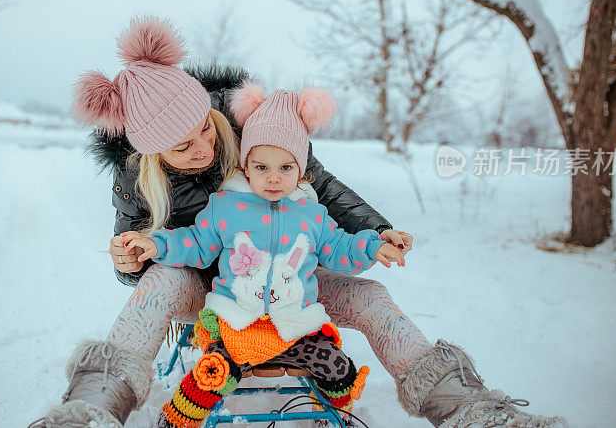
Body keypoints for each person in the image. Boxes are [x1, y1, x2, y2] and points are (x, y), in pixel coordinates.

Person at [34, 16, 564, 428]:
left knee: (373, 297)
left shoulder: (250, 124)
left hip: (293, 282)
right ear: (150, 152)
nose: (204, 147)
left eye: (205, 129)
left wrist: (375, 234)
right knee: (155, 286)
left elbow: (321, 187)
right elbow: (141, 261)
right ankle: (89, 409)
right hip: (212, 289)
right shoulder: (132, 181)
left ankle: (468, 410)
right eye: (183, 145)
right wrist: (132, 257)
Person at [122, 85, 407, 427]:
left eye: (286, 168)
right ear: (245, 167)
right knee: (212, 374)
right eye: (261, 167)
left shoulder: (312, 216)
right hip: (235, 322)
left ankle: (330, 414)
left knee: (338, 369)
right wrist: (159, 245)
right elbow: (195, 243)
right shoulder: (226, 207)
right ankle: (176, 419)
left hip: (297, 326)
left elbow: (341, 248)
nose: (273, 178)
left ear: (301, 170)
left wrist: (374, 245)